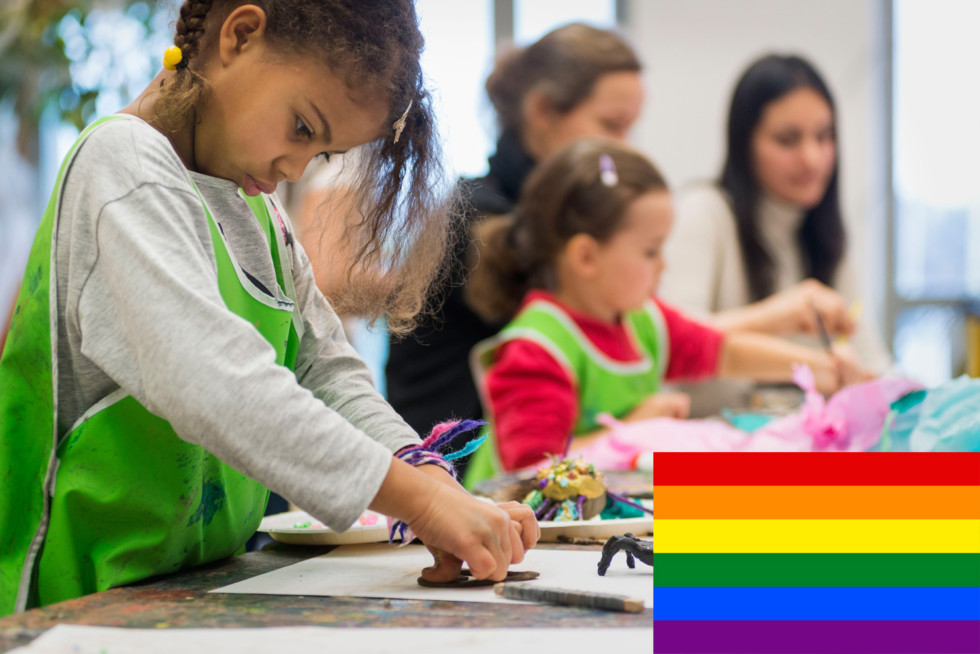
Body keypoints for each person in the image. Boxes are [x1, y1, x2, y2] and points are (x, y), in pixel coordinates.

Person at [0, 0, 537, 616]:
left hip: (185, 593)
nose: (295, 168)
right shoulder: (122, 163)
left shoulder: (257, 210)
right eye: (303, 128)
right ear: (241, 35)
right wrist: (419, 500)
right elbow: (214, 381)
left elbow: (327, 372)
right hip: (73, 606)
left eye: (323, 154)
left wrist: (433, 482)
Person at [464, 140, 868, 482]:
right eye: (650, 251)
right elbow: (533, 471)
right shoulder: (537, 350)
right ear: (585, 256)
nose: (664, 266)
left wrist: (821, 368)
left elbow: (721, 351)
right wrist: (634, 428)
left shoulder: (641, 320)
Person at [385, 23, 644, 450]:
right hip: (466, 481)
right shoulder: (481, 222)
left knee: (772, 494)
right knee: (759, 501)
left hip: (534, 470)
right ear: (543, 110)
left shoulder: (529, 216)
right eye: (612, 125)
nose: (625, 148)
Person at [659, 54, 890, 416]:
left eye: (824, 136)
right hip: (706, 451)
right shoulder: (703, 212)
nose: (812, 158)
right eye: (788, 140)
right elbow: (664, 344)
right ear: (744, 144)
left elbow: (875, 367)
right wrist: (777, 318)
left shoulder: (824, 235)